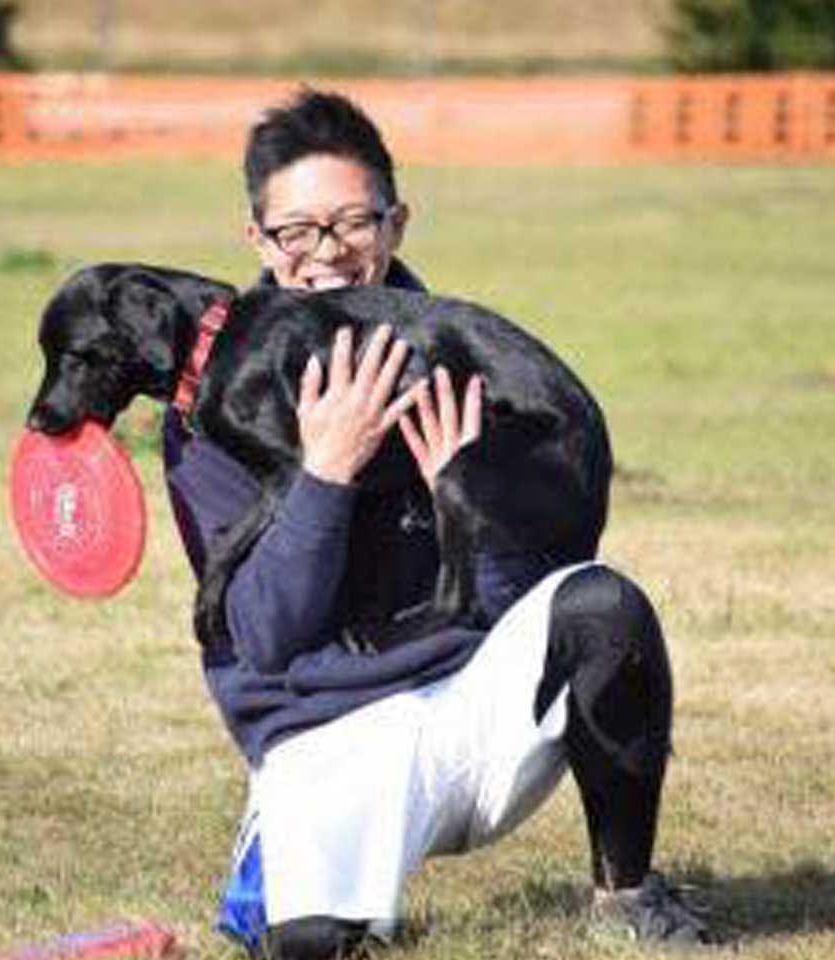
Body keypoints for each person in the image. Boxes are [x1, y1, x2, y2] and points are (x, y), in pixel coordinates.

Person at [161, 88, 708, 958]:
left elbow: (519, 595)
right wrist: (325, 475)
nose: (328, 254)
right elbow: (263, 640)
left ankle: (627, 895)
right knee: (308, 945)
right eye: (296, 232)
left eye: (353, 222)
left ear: (397, 223)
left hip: (470, 711)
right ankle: (280, 853)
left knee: (604, 606)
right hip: (325, 738)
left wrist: (461, 494)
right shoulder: (214, 407)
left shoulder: (466, 359)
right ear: (257, 242)